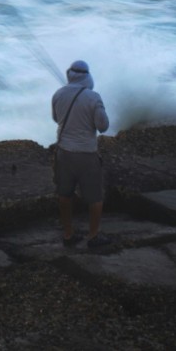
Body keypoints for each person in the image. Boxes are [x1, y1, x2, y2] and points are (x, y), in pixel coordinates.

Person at [51, 60, 111, 248]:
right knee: (94, 197)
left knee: (64, 194)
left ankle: (68, 235)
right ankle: (93, 236)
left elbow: (55, 118)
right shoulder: (93, 97)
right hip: (86, 154)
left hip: (63, 153)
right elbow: (103, 126)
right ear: (87, 76)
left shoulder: (58, 94)